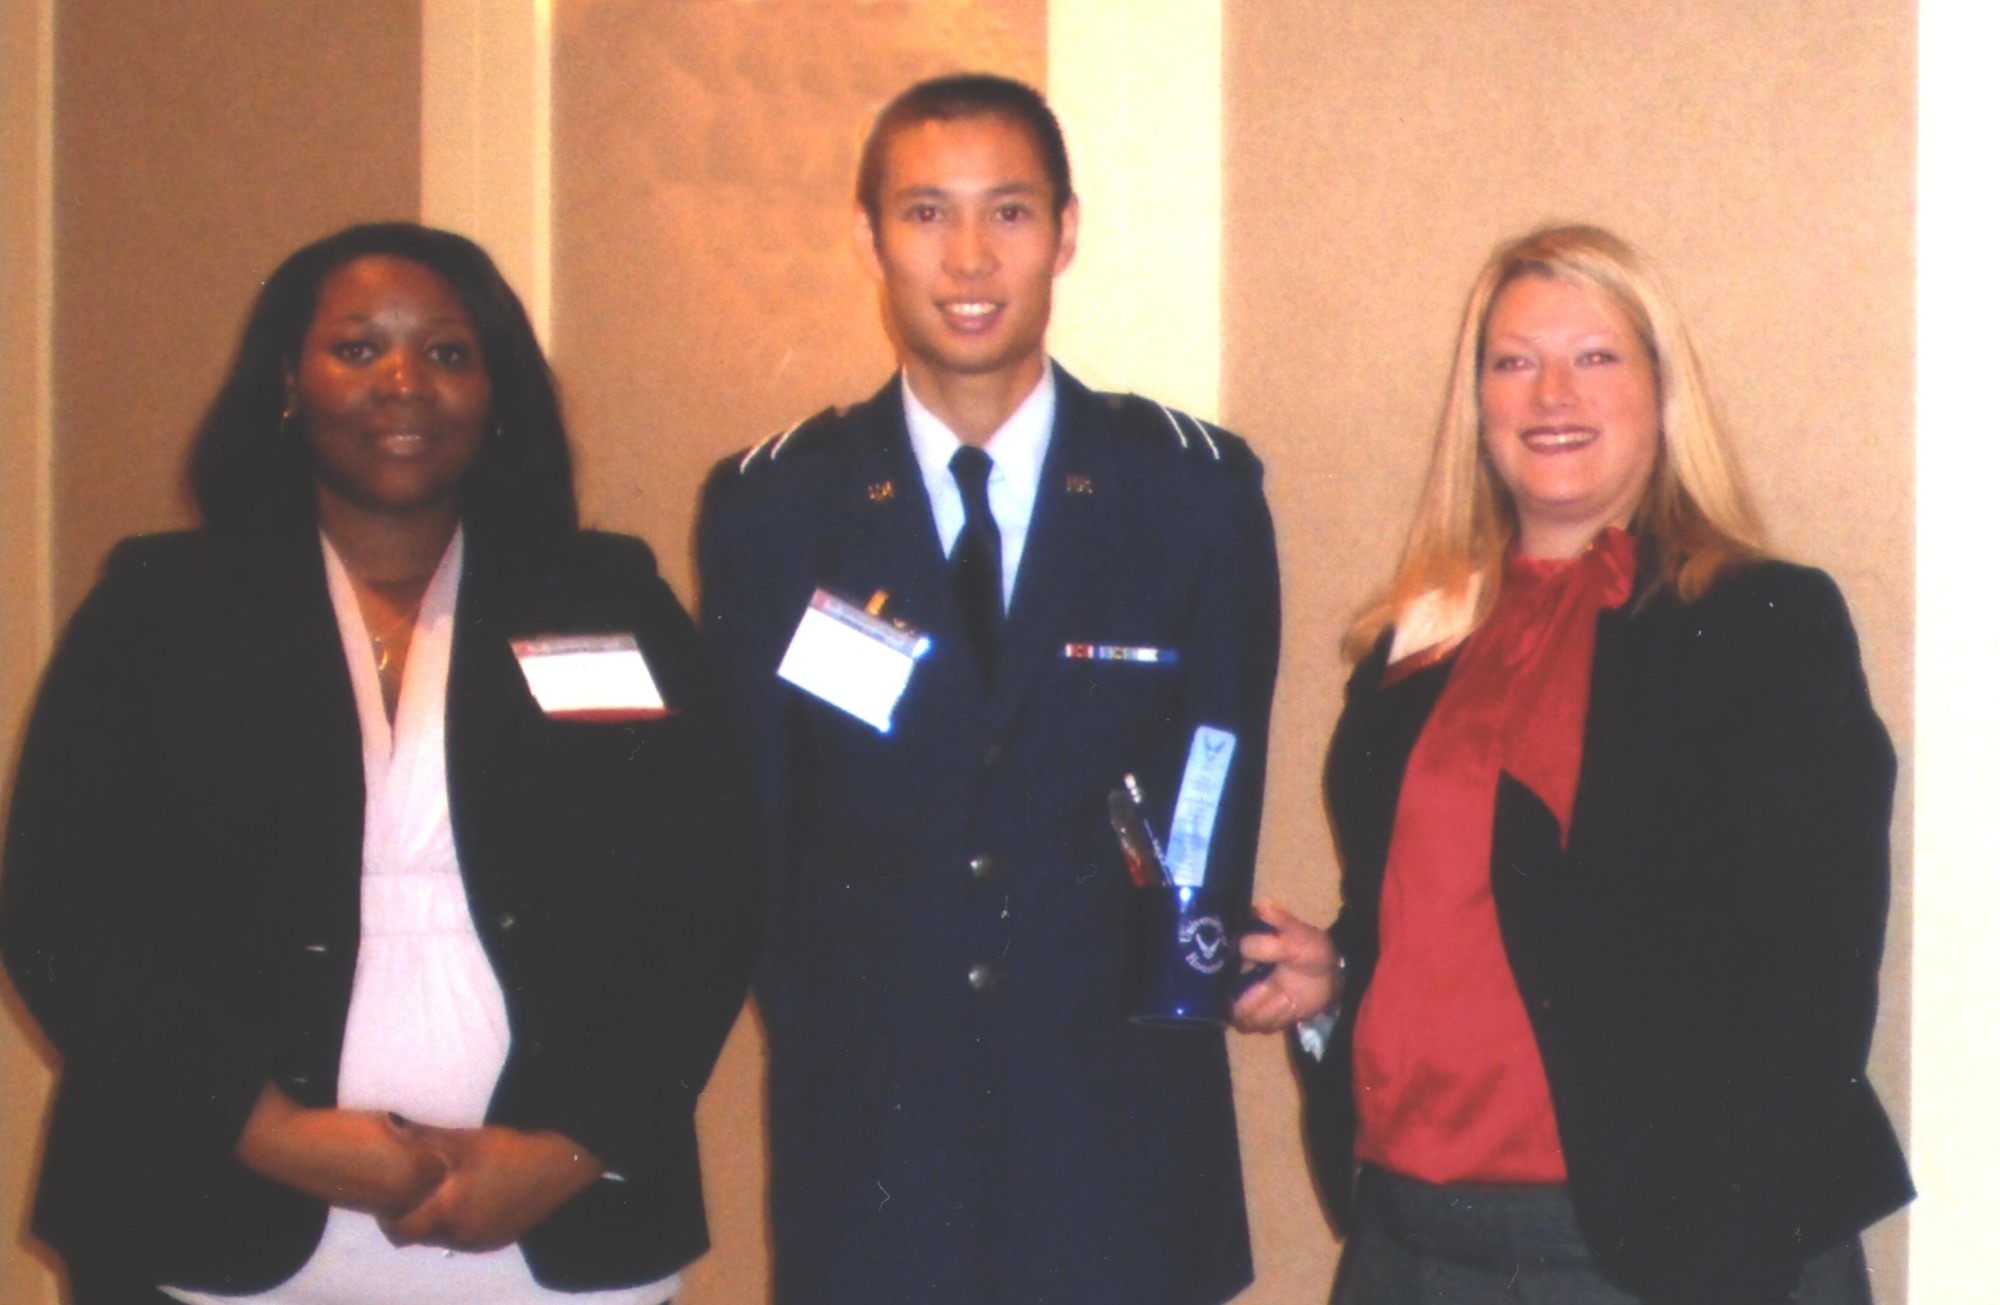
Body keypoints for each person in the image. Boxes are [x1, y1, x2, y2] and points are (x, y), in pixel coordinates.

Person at [0, 222, 755, 1305]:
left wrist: (571, 1148)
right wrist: (273, 1133)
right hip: (213, 1209)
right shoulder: (161, 609)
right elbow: (63, 914)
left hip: (549, 1225)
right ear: (287, 382)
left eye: (448, 353)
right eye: (357, 349)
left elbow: (708, 903)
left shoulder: (606, 600)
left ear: (497, 392)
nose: (404, 383)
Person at [1233, 224, 1912, 1304]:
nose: (1552, 392)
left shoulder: (1760, 623)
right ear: (1479, 404)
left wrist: (1720, 1254)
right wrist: (1335, 977)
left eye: (1594, 356)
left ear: (1659, 389)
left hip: (1661, 1248)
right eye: (1513, 361)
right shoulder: (1410, 645)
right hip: (1411, 1238)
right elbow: (1430, 908)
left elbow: (1814, 981)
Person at [696, 74, 1280, 1305]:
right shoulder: (774, 509)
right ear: (868, 239)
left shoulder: (1187, 495)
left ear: (1066, 230)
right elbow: (754, 835)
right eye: (924, 215)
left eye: (1008, 213)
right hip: (875, 1149)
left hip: (1116, 1138)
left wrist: (1180, 987)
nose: (968, 257)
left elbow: (1211, 794)